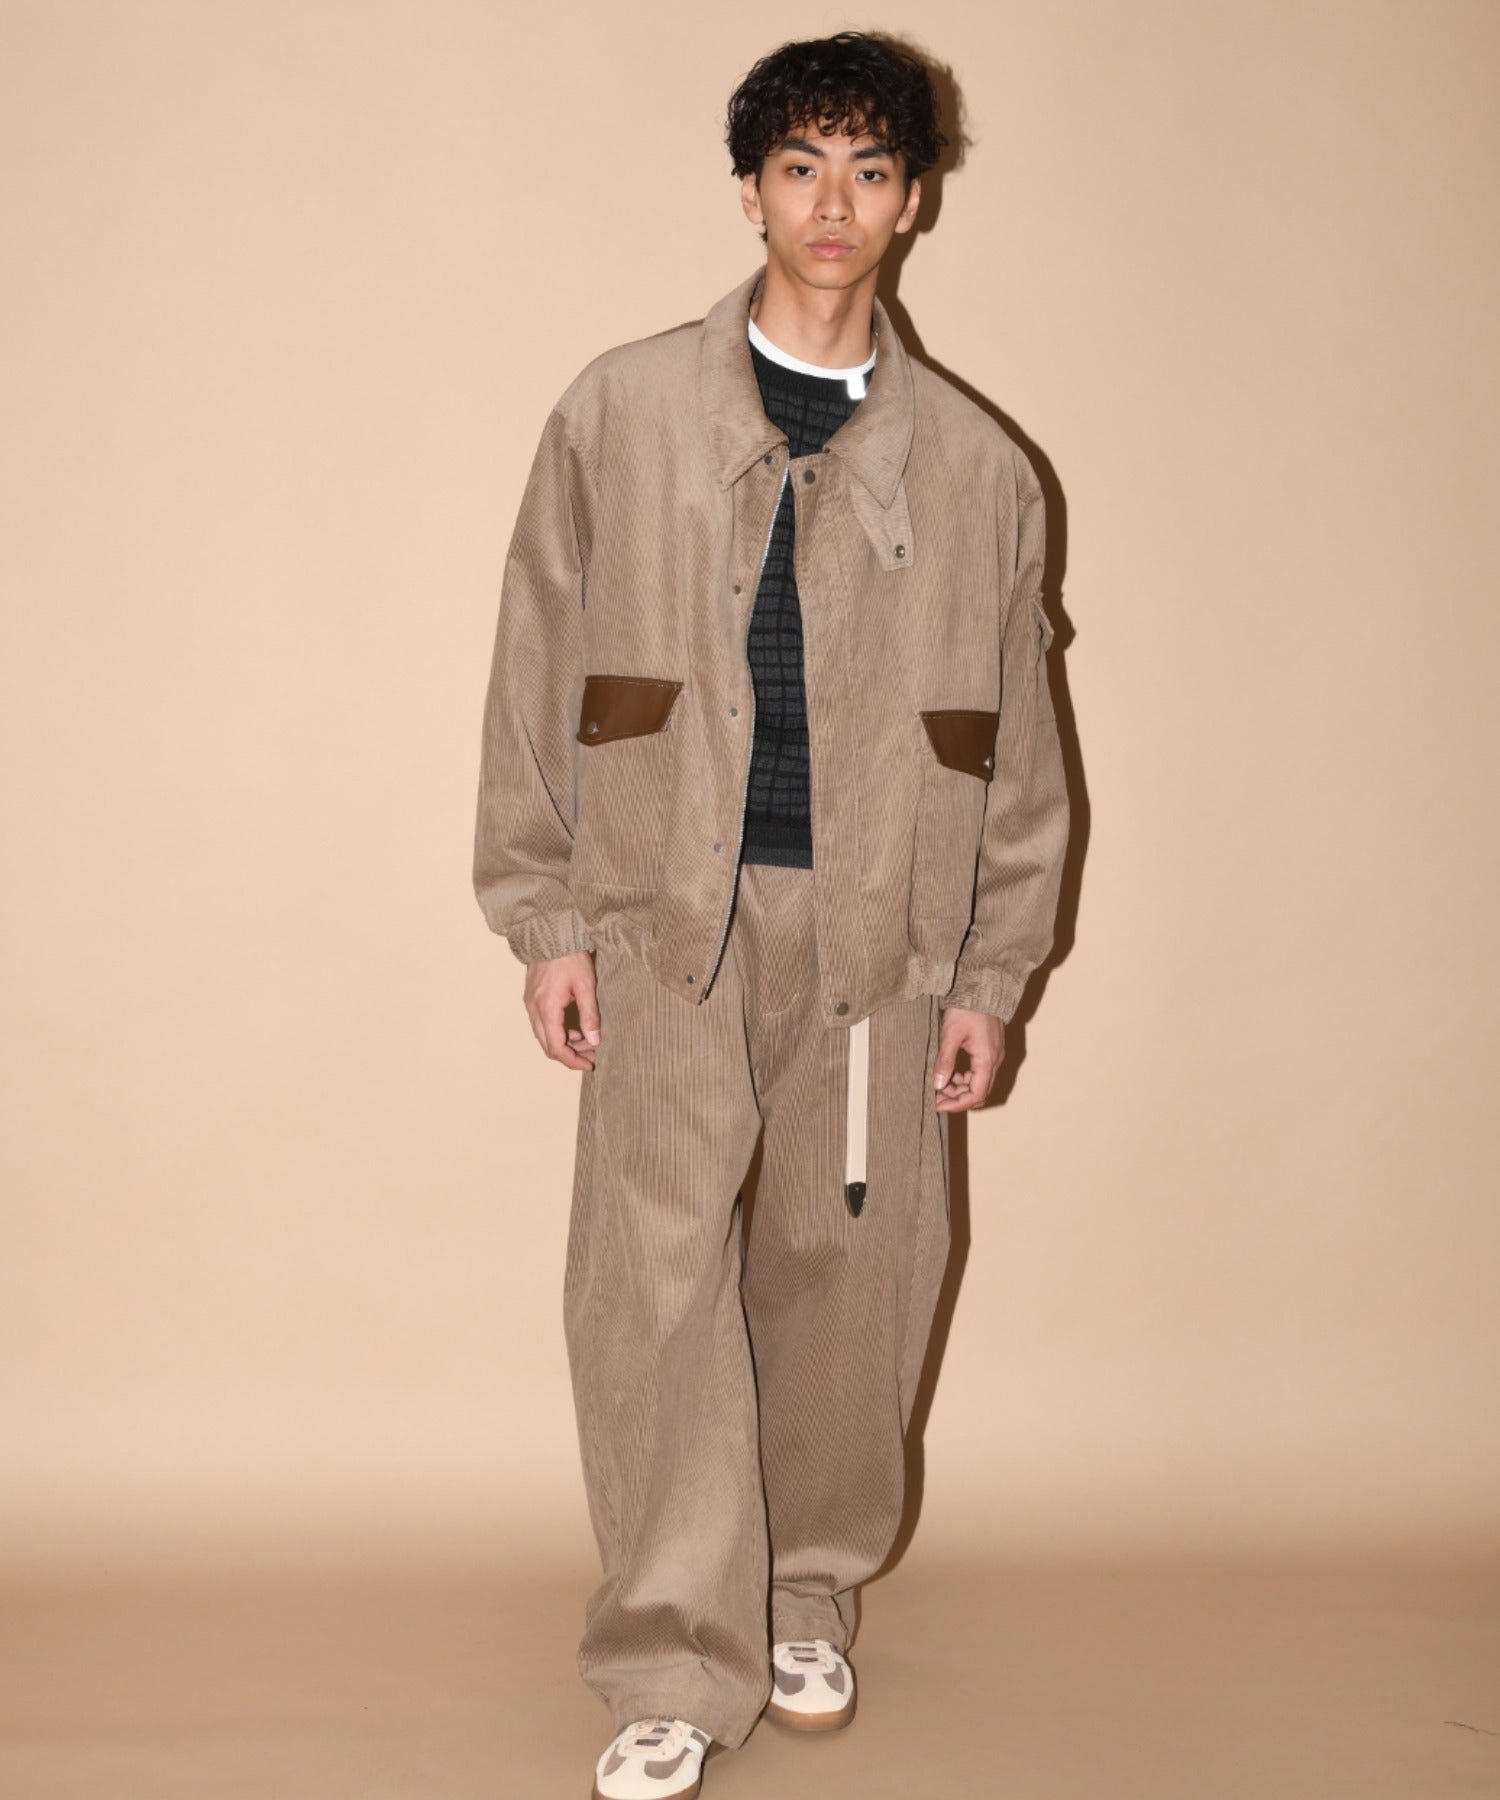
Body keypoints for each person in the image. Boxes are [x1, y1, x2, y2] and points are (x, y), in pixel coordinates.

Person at [472, 30, 1070, 1800]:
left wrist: (991, 970)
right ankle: (673, 1651)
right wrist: (544, 913)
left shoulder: (981, 471)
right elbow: (535, 665)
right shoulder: (619, 414)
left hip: (886, 939)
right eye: (802, 165)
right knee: (652, 1287)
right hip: (667, 918)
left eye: (872, 169)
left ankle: (802, 1584)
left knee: (853, 1273)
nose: (835, 202)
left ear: (914, 202)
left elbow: (1020, 745)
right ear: (749, 190)